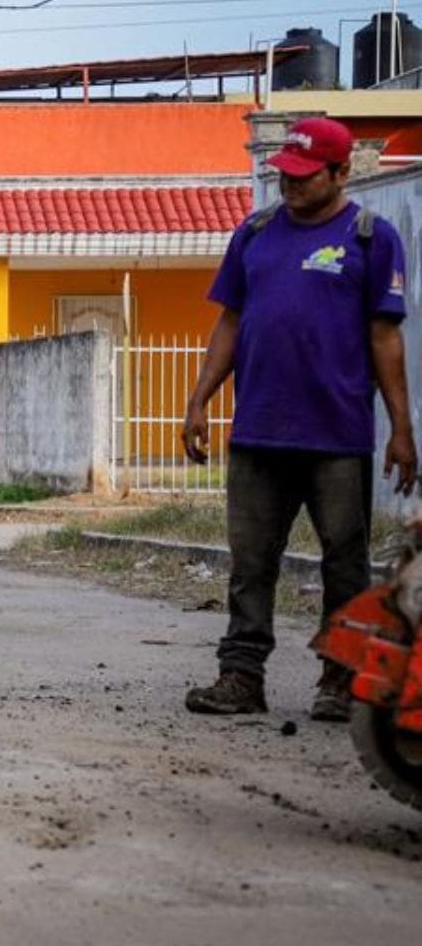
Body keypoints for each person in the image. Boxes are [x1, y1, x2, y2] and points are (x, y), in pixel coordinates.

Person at [182, 115, 416, 721]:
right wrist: (200, 399)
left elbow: (385, 338)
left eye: (305, 175)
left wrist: (402, 429)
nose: (290, 183)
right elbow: (230, 322)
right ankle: (241, 676)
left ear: (341, 173)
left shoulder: (371, 238)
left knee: (345, 562)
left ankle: (340, 681)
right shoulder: (255, 234)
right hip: (258, 430)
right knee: (250, 561)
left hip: (336, 434)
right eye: (285, 173)